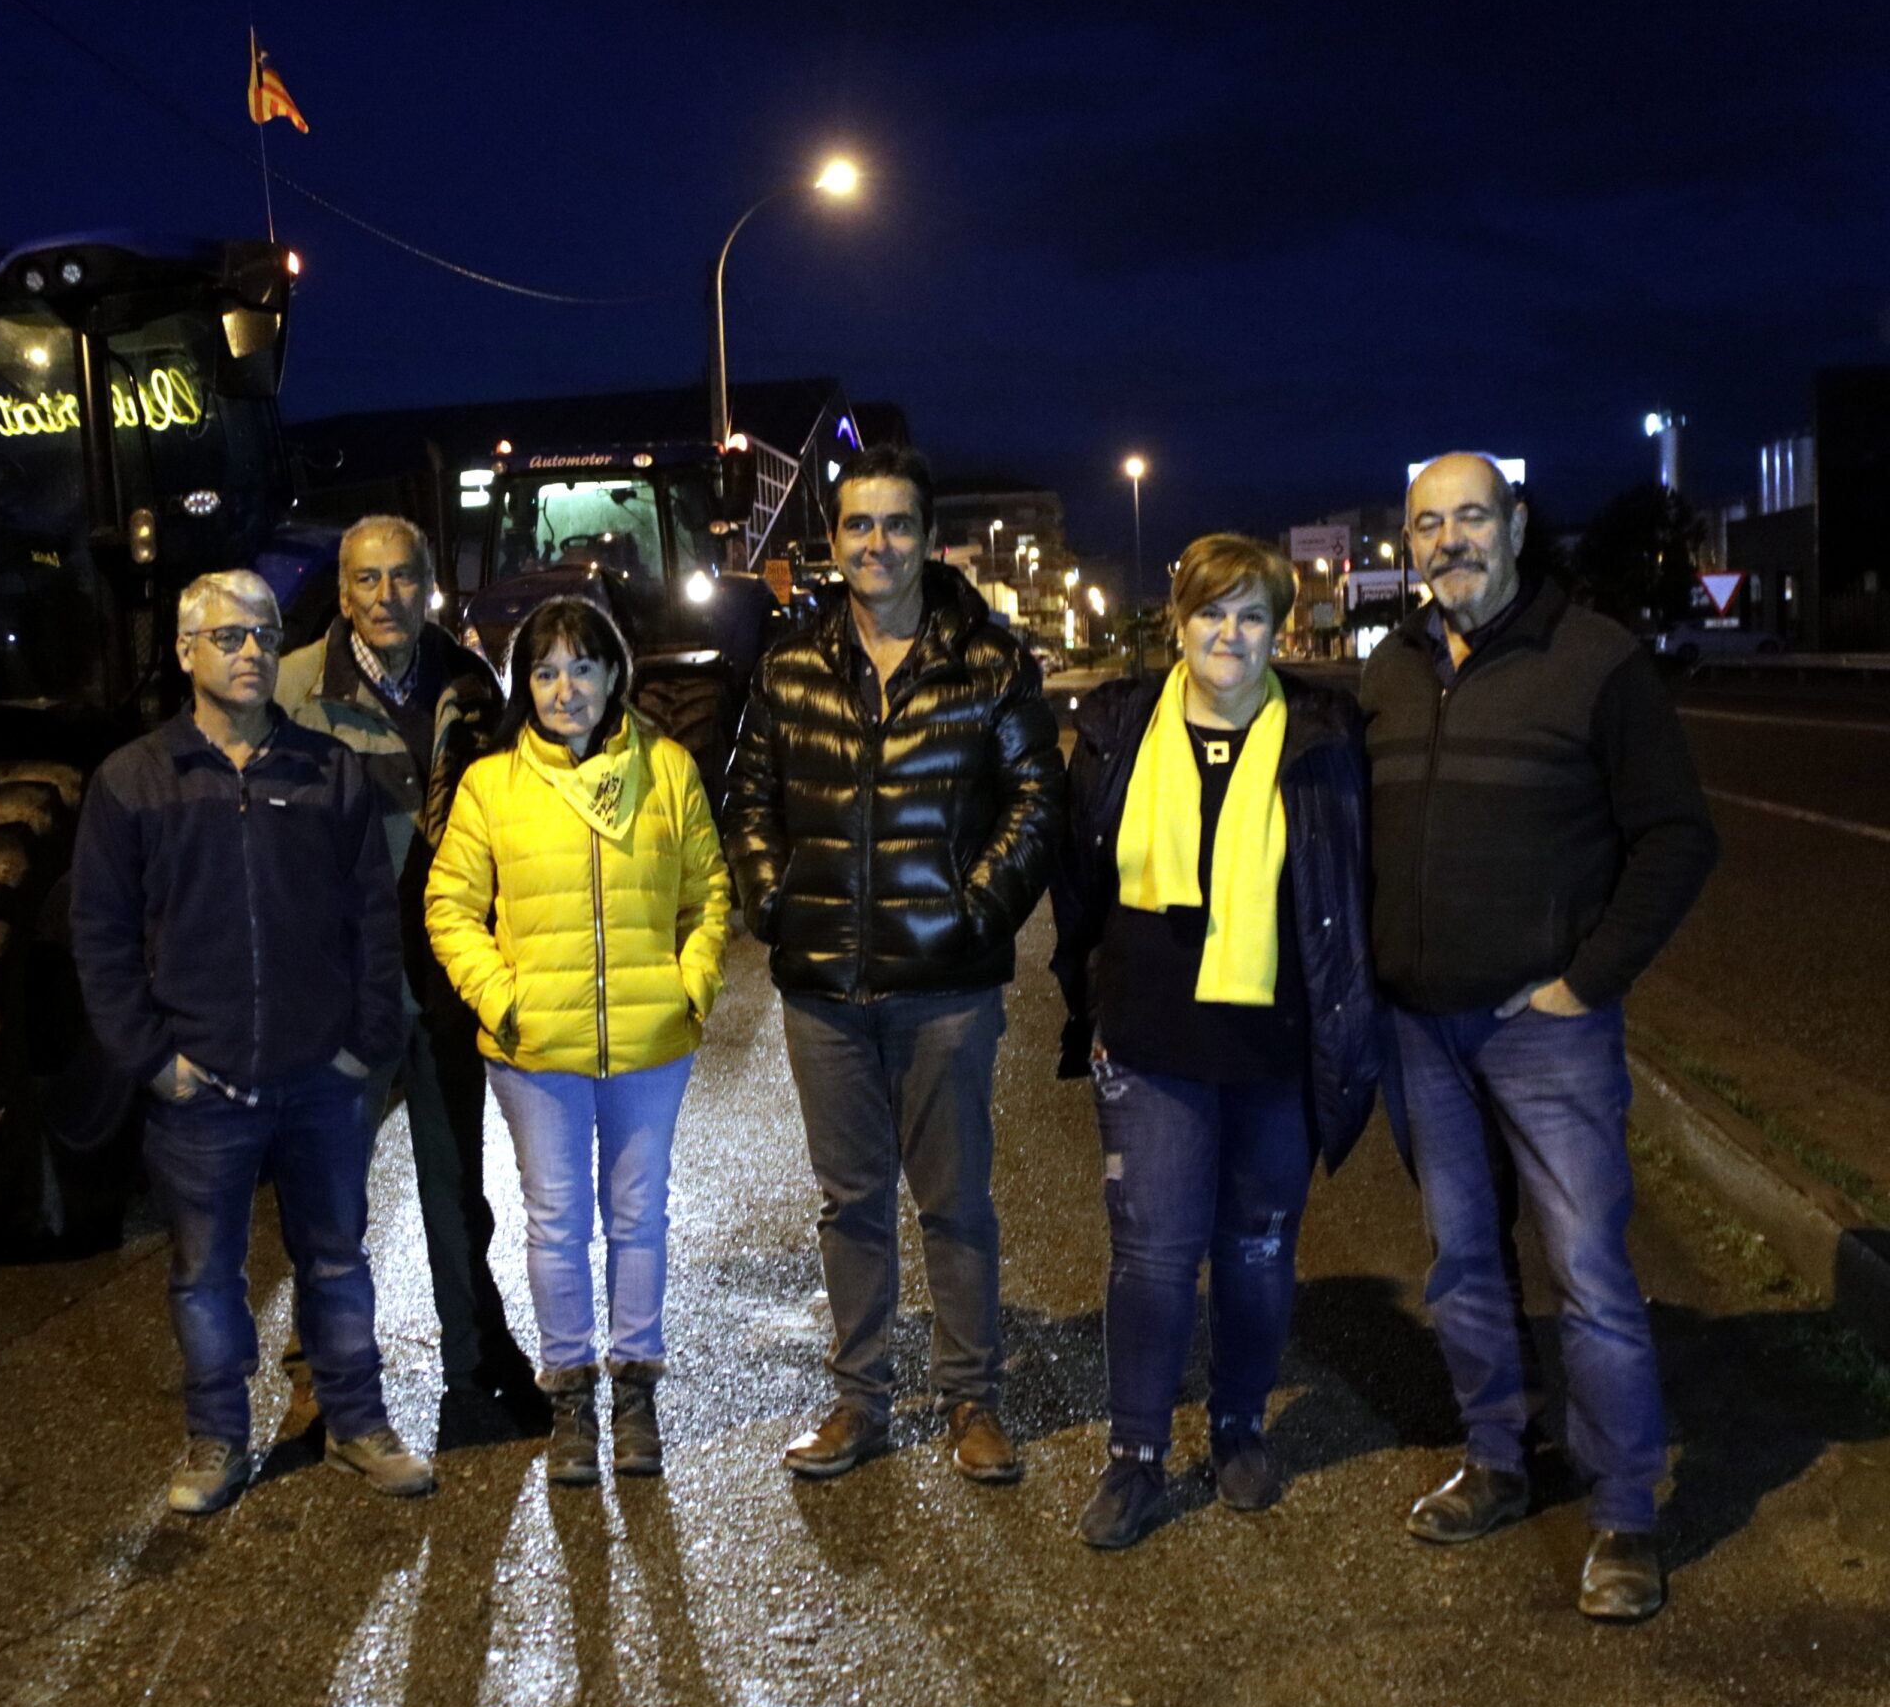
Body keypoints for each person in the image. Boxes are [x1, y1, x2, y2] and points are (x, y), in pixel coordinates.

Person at [1363, 453, 1719, 1621]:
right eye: (1428, 522)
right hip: (1421, 1028)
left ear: (1516, 523)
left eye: (1472, 514)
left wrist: (1582, 981)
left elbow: (1675, 836)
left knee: (1590, 1271)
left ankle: (1624, 1512)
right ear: (1407, 541)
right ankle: (1499, 1461)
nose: (1449, 538)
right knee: (1462, 1262)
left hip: (1541, 1028)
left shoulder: (1595, 658)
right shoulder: (1390, 667)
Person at [725, 444, 1065, 1484]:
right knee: (851, 1203)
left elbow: (1037, 801)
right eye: (857, 525)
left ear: (929, 537)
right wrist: (772, 898)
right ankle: (859, 1399)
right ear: (834, 542)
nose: (876, 543)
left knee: (955, 1200)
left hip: (946, 987)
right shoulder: (791, 665)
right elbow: (747, 798)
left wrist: (973, 911)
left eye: (896, 524)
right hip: (823, 991)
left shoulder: (988, 661)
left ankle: (972, 1398)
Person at [70, 569, 434, 1516]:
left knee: (338, 1262)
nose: (251, 654)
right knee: (203, 1278)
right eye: (228, 638)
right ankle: (217, 1441)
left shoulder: (327, 771)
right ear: (187, 651)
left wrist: (363, 1040)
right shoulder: (136, 781)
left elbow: (371, 919)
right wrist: (153, 1061)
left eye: (266, 637)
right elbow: (101, 937)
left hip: (321, 1078)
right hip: (203, 1087)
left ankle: (357, 1423)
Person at [1050, 535, 1381, 1549]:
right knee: (1151, 1257)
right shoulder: (1115, 727)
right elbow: (1077, 880)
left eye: (1251, 616)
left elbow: (1346, 888)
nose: (1229, 634)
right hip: (1149, 1045)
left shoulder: (1321, 737)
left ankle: (1239, 1428)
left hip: (1275, 1050)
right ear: (1177, 622)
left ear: (1278, 630)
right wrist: (1093, 1008)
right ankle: (1136, 1453)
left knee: (1255, 1247)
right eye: (1211, 613)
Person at [425, 597, 731, 1486]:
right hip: (536, 1052)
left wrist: (691, 987)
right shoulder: (492, 784)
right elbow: (450, 908)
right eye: (547, 671)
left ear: (614, 677)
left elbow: (709, 894)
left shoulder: (667, 770)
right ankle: (571, 1398)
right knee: (557, 1224)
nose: (566, 689)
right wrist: (502, 998)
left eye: (584, 667)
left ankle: (635, 1392)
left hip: (650, 1041)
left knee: (639, 1218)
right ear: (526, 683)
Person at [275, 514, 549, 1439]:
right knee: (328, 1196)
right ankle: (323, 1382)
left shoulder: (472, 687)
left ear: (428, 585)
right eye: (366, 580)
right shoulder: (293, 692)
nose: (385, 598)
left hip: (442, 980)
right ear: (342, 591)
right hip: (340, 987)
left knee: (454, 1186)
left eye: (403, 579)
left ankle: (477, 1369)